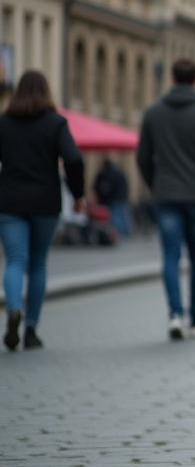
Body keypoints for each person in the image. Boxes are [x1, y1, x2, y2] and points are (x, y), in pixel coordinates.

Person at [137, 58, 195, 341]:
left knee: (170, 256)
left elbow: (142, 156)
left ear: (172, 78)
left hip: (166, 194)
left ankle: (175, 315)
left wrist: (154, 184)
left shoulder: (154, 112)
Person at [0, 70, 86, 351]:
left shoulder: (4, 123)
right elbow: (74, 158)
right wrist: (78, 194)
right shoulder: (55, 123)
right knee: (37, 263)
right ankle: (31, 329)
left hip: (9, 201)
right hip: (45, 202)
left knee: (15, 260)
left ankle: (14, 308)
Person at [92, 157, 131, 237]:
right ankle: (124, 231)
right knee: (122, 215)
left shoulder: (104, 173)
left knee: (115, 216)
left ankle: (118, 232)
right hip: (122, 197)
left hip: (112, 198)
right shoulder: (119, 172)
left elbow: (98, 186)